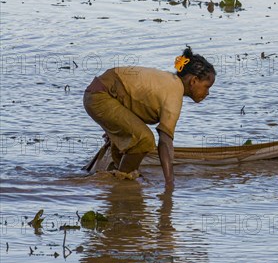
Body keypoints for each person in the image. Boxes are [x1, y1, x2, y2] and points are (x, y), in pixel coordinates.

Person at [83, 46, 216, 189]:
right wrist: (170, 183)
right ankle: (122, 182)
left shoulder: (169, 82)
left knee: (127, 148)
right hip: (100, 96)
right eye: (207, 86)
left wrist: (114, 128)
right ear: (194, 80)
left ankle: (116, 190)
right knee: (145, 139)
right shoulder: (174, 93)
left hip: (100, 93)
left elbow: (131, 97)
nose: (207, 93)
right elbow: (165, 142)